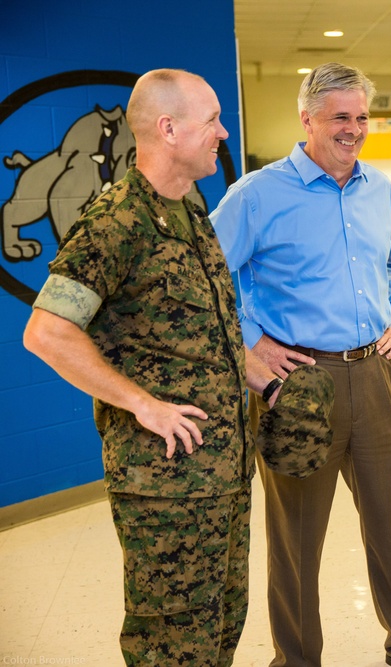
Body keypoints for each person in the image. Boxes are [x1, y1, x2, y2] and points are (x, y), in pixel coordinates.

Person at [22, 69, 281, 665]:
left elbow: (195, 328)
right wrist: (142, 403)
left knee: (220, 624)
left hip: (222, 473)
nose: (222, 132)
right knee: (172, 642)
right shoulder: (114, 222)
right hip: (165, 486)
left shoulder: (190, 208)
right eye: (211, 119)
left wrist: (254, 368)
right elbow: (47, 332)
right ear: (168, 128)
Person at [210, 62, 391, 667]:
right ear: (307, 119)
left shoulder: (379, 192)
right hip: (296, 386)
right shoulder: (256, 196)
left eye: (362, 116)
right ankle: (296, 659)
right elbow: (206, 278)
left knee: (389, 524)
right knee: (296, 540)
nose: (354, 128)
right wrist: (251, 341)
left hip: (374, 379)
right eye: (341, 116)